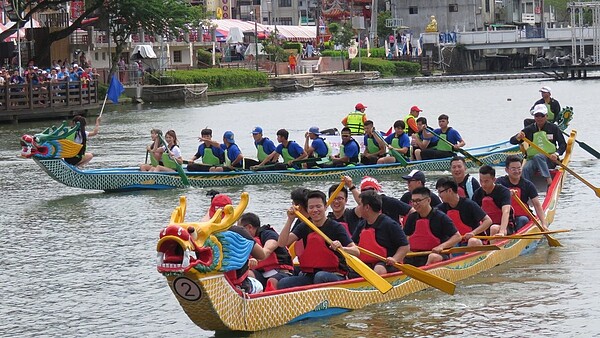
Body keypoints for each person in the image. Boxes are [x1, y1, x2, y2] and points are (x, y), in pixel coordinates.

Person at [277, 190, 360, 289]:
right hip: (310, 276)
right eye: (311, 207)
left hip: (334, 275)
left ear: (325, 207)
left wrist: (342, 248)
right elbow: (282, 243)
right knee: (283, 283)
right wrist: (290, 219)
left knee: (320, 276)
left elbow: (356, 251)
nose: (315, 210)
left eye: (318, 206)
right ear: (307, 210)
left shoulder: (336, 227)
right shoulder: (304, 226)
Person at [352, 190, 410, 275]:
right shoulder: (362, 225)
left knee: (379, 269)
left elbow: (405, 246)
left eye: (360, 204)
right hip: (367, 264)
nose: (358, 207)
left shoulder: (389, 224)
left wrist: (394, 259)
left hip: (386, 264)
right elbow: (354, 244)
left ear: (367, 207)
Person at [402, 187, 462, 267]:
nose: (415, 204)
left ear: (428, 200)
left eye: (418, 201)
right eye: (413, 201)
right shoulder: (412, 217)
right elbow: (406, 237)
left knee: (433, 257)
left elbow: (457, 237)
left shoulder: (441, 217)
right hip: (416, 254)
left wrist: (441, 246)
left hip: (437, 254)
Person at [510, 104, 566, 186]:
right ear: (534, 117)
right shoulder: (530, 129)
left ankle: (549, 180)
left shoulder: (553, 128)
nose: (539, 118)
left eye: (542, 115)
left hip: (549, 159)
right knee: (525, 169)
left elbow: (563, 145)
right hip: (533, 159)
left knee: (538, 156)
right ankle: (527, 189)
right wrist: (518, 137)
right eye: (537, 115)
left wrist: (556, 154)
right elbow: (512, 141)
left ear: (546, 116)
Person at [238, 212, 294, 291]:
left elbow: (267, 250)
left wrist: (255, 259)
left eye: (241, 229)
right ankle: (249, 297)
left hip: (280, 272)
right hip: (261, 273)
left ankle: (272, 301)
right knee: (246, 274)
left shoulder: (268, 234)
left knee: (272, 281)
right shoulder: (246, 241)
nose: (239, 233)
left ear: (249, 227)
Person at [496, 155, 549, 231]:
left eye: (519, 168)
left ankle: (516, 235)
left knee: (523, 219)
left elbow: (537, 205)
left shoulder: (528, 185)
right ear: (506, 170)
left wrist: (543, 223)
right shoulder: (500, 182)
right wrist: (506, 193)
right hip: (503, 216)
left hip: (520, 217)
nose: (517, 171)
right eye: (513, 169)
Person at [435, 177, 493, 247]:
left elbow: (488, 221)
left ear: (449, 191)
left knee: (473, 241)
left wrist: (473, 233)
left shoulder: (469, 204)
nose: (439, 195)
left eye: (440, 192)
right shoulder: (440, 209)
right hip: (456, 242)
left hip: (474, 240)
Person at [346, 176, 414, 225]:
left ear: (376, 190)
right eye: (364, 191)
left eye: (370, 190)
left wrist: (408, 230)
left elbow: (412, 211)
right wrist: (351, 186)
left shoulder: (388, 201)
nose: (368, 193)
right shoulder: (362, 206)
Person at [472, 165, 518, 237]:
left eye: (486, 181)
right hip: (486, 226)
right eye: (481, 181)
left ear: (494, 180)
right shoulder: (477, 193)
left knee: (494, 228)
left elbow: (506, 212)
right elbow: (472, 213)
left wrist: (502, 232)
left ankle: (492, 246)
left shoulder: (503, 191)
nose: (483, 184)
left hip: (505, 227)